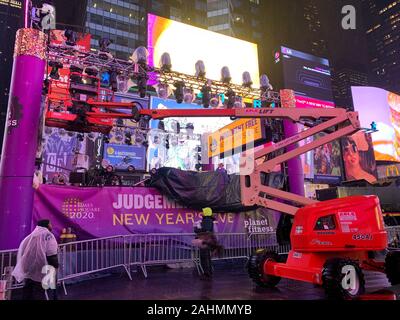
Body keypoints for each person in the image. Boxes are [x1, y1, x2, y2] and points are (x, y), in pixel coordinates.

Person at [12, 220, 59, 300]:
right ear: (47, 225)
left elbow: (23, 251)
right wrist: (55, 266)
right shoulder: (48, 236)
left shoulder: (31, 236)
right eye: (50, 223)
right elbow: (52, 254)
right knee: (43, 291)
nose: (51, 225)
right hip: (42, 268)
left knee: (28, 290)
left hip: (29, 269)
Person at [193, 208, 222, 279]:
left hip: (205, 241)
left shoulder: (207, 220)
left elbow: (205, 230)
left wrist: (196, 228)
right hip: (207, 241)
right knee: (207, 257)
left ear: (206, 213)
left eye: (203, 212)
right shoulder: (209, 220)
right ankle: (208, 272)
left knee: (204, 257)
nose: (202, 213)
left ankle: (207, 274)